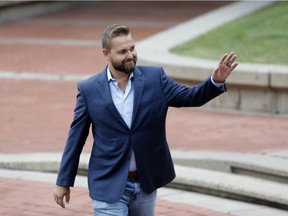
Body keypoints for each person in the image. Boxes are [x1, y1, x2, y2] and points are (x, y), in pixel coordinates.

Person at [53, 24, 238, 216]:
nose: (130, 55)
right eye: (122, 51)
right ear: (106, 54)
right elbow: (76, 138)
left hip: (145, 183)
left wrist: (215, 82)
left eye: (132, 48)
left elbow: (190, 97)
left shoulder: (155, 78)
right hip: (108, 182)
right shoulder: (89, 89)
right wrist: (63, 181)